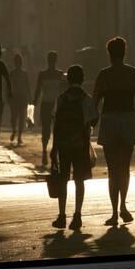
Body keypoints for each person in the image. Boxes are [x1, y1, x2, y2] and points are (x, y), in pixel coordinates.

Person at [93, 36, 135, 226]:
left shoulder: (104, 75)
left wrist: (90, 124)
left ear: (109, 54)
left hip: (109, 120)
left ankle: (114, 212)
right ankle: (124, 206)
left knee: (112, 169)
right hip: (127, 120)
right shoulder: (133, 74)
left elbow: (95, 101)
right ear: (124, 53)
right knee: (124, 167)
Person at [50, 65, 98, 230]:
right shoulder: (87, 99)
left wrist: (54, 148)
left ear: (68, 79)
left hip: (63, 145)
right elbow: (93, 121)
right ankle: (77, 216)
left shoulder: (61, 99)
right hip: (80, 145)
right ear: (82, 79)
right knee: (79, 180)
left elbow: (56, 125)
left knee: (63, 180)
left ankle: (62, 216)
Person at [33, 51, 64, 166]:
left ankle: (49, 152)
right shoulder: (49, 74)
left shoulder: (57, 74)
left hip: (52, 105)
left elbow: (38, 90)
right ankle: (46, 151)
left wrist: (34, 103)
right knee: (48, 130)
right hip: (49, 105)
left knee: (54, 130)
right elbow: (37, 90)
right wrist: (34, 104)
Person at [9, 53, 32, 146]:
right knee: (18, 117)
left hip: (18, 97)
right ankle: (17, 135)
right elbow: (27, 86)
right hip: (19, 96)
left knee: (17, 117)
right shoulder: (18, 73)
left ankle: (17, 134)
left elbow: (27, 86)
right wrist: (30, 96)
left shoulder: (15, 73)